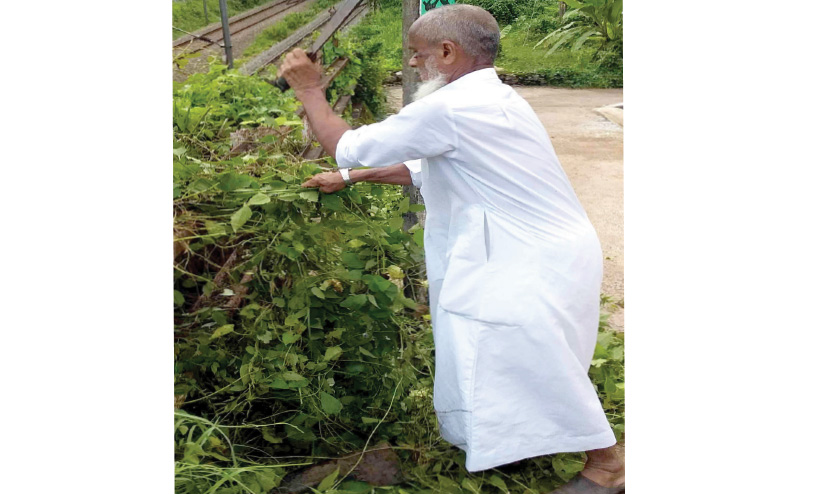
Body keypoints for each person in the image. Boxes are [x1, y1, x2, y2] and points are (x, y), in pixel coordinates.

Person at [278, 5, 625, 493]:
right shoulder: (489, 97)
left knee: (536, 357)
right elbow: (428, 167)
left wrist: (310, 90)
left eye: (417, 54)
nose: (412, 64)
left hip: (524, 256)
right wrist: (352, 178)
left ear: (447, 51)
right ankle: (509, 445)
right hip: (532, 249)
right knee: (495, 354)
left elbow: (347, 144)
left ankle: (608, 466)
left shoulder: (451, 107)